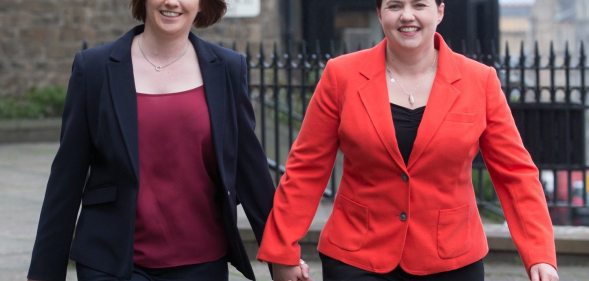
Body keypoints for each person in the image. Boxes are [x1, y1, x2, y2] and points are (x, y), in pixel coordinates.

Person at [257, 0, 559, 281]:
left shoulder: (479, 81)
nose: (407, 15)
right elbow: (306, 169)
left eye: (419, 4)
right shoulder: (341, 75)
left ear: (439, 11)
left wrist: (540, 254)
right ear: (380, 13)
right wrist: (282, 250)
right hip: (357, 258)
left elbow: (516, 174)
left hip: (451, 260)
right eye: (395, 5)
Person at [26, 0, 277, 280]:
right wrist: (44, 272)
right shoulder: (95, 69)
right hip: (112, 261)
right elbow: (66, 178)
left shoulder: (228, 69)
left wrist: (282, 258)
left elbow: (251, 173)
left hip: (202, 261)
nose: (172, 1)